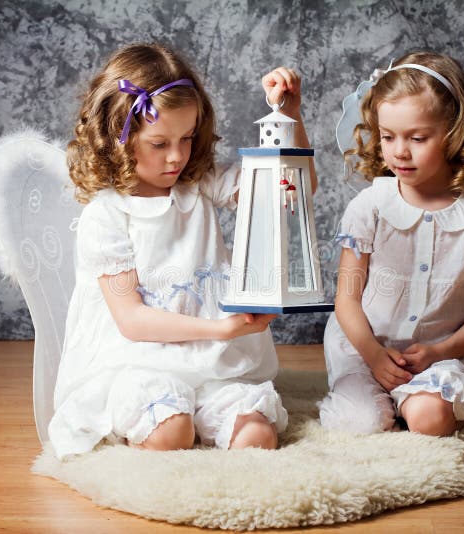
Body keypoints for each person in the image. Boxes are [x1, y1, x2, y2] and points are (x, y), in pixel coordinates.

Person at [48, 43, 315, 458]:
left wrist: (290, 117)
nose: (177, 156)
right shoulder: (107, 215)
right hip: (140, 360)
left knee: (257, 438)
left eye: (187, 138)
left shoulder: (200, 181)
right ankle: (166, 422)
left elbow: (294, 190)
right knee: (172, 432)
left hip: (214, 362)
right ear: (117, 138)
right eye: (159, 143)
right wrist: (221, 328)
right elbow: (133, 321)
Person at [320, 51, 464, 437]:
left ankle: (414, 399)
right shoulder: (370, 207)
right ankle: (377, 396)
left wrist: (440, 353)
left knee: (430, 420)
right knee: (359, 425)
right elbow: (346, 299)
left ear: (453, 133)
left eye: (417, 138)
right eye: (388, 136)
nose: (399, 151)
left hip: (443, 353)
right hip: (364, 346)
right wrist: (373, 356)